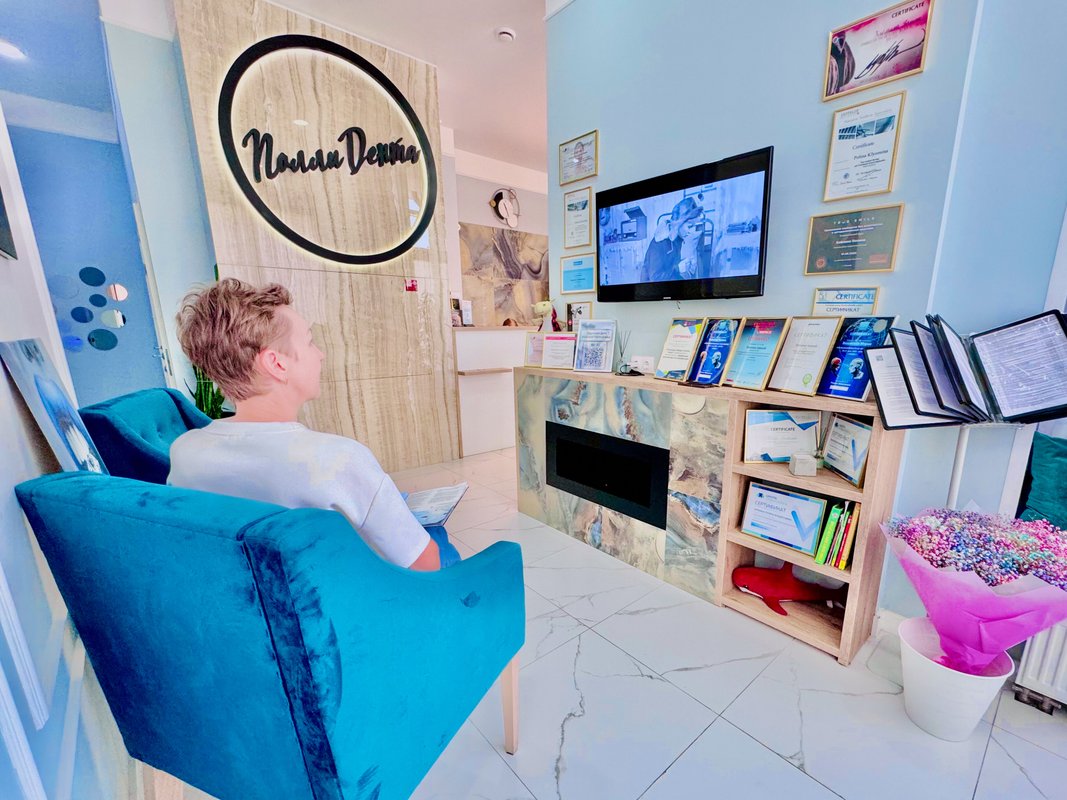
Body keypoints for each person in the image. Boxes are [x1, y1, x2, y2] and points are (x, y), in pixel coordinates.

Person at [168, 279, 442, 571]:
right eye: (310, 341)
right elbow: (425, 565)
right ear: (277, 364)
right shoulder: (339, 460)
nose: (320, 354)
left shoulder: (184, 451)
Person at [640, 196, 708, 283]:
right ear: (678, 223)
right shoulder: (660, 242)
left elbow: (671, 269)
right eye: (689, 226)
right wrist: (678, 268)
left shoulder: (677, 240)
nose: (690, 232)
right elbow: (655, 278)